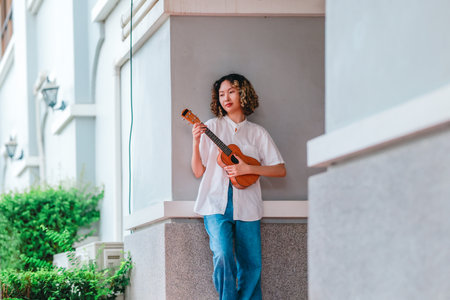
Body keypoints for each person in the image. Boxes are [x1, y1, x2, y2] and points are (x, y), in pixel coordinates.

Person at [191, 73, 286, 300]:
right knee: (223, 254)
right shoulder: (211, 127)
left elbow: (279, 169)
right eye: (221, 94)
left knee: (251, 263)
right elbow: (198, 171)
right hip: (215, 203)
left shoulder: (257, 133)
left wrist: (249, 169)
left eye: (231, 91)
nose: (226, 98)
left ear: (243, 94)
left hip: (248, 205)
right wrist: (195, 142)